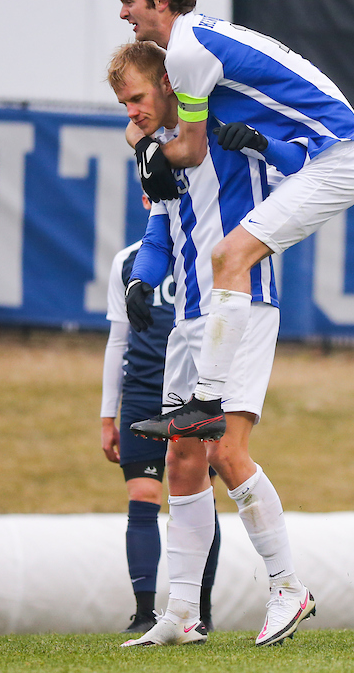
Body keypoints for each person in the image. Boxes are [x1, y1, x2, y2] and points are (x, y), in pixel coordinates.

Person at [104, 0, 354, 452]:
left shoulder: (185, 52)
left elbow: (187, 147)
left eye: (129, 0)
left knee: (230, 254)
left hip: (339, 157)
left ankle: (205, 403)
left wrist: (141, 147)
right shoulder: (197, 37)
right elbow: (181, 151)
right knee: (231, 255)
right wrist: (147, 148)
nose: (123, 12)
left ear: (161, 0)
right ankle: (205, 404)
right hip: (334, 153)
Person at [106, 41, 314, 648]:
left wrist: (257, 143)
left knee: (225, 450)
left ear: (170, 84)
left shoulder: (220, 122)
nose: (132, 113)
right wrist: (143, 277)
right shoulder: (158, 152)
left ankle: (287, 587)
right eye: (123, 104)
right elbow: (159, 224)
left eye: (138, 99)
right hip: (190, 320)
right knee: (182, 458)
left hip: (244, 311)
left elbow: (303, 166)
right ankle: (182, 613)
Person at [101, 210, 221, 635]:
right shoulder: (127, 262)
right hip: (141, 395)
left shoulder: (205, 255)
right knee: (144, 495)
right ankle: (144, 613)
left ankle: (198, 613)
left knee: (194, 493)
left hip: (191, 392)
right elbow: (118, 340)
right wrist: (106, 415)